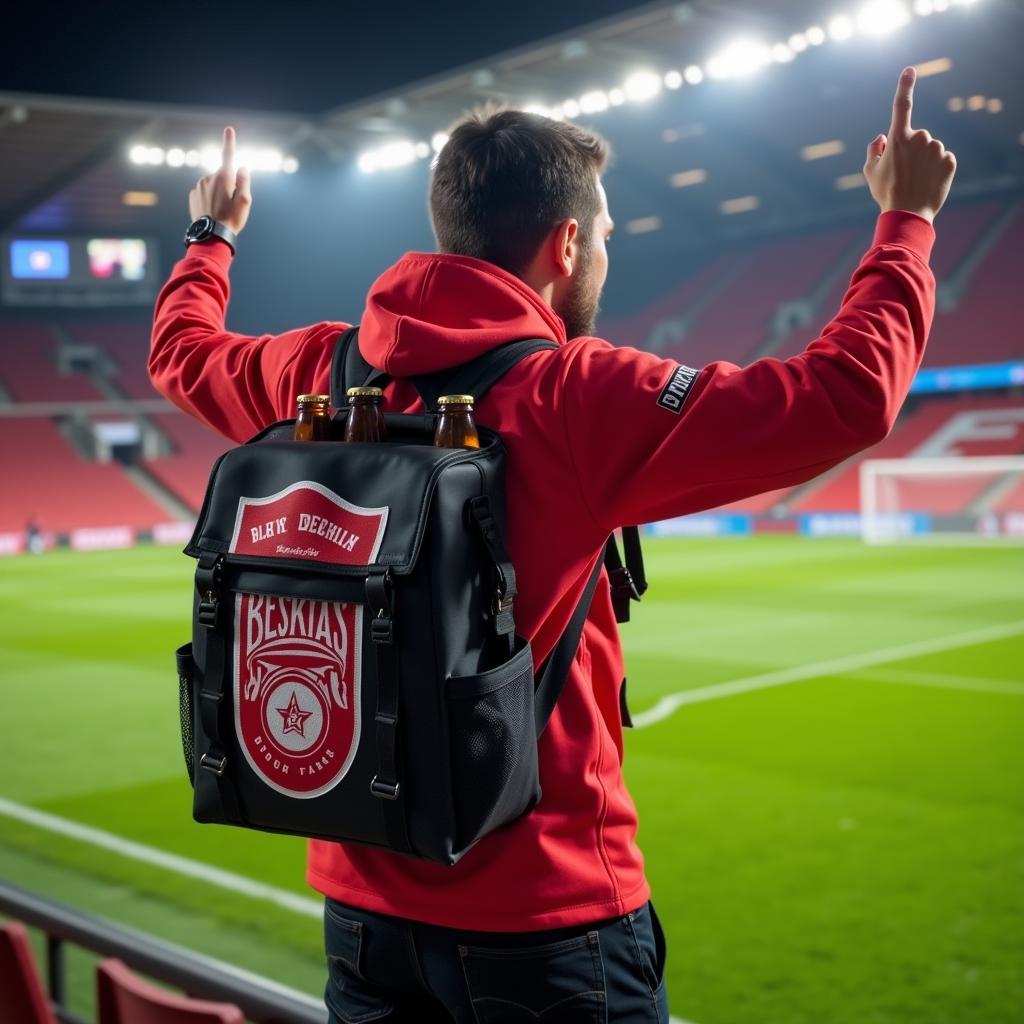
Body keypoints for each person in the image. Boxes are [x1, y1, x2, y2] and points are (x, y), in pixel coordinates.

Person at [150, 66, 955, 1023]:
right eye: (605, 236)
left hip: (363, 915)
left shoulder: (318, 371)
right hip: (549, 921)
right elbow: (843, 397)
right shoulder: (577, 395)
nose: (605, 252)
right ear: (566, 243)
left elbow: (182, 351)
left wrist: (212, 238)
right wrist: (904, 224)